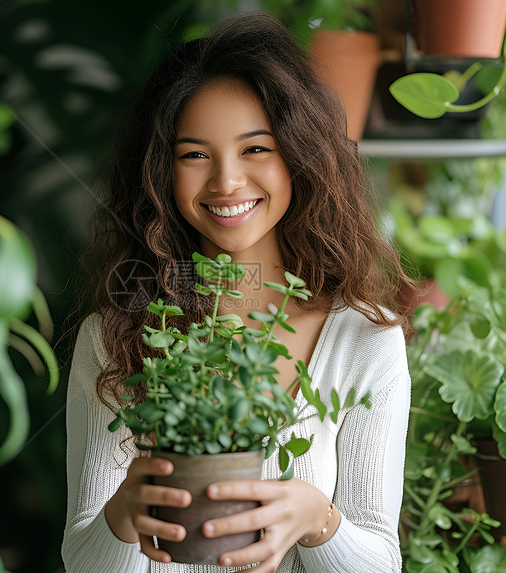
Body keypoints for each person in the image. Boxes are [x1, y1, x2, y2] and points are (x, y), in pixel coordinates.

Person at [61, 12, 413, 573]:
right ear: (160, 173)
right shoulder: (116, 339)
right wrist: (123, 516)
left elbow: (381, 561)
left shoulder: (364, 341)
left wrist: (317, 520)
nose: (226, 181)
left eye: (255, 149)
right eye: (194, 154)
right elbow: (82, 560)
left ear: (300, 157)